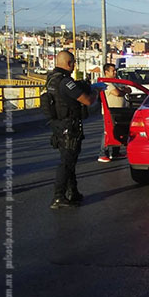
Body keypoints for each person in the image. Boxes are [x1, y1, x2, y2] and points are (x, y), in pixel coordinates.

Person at [47, 51, 102, 209]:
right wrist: (95, 92)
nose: (74, 67)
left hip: (58, 125)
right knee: (67, 162)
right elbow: (87, 100)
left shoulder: (52, 79)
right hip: (68, 127)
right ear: (69, 63)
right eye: (73, 63)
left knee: (70, 160)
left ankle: (73, 192)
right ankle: (59, 197)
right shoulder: (65, 82)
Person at [98, 63, 131, 162]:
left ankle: (116, 152)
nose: (115, 72)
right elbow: (117, 93)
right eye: (113, 71)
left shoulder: (115, 82)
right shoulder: (107, 83)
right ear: (106, 72)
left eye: (115, 70)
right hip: (110, 112)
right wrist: (123, 91)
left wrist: (123, 90)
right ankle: (103, 153)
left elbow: (126, 88)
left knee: (117, 132)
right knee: (108, 132)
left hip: (119, 111)